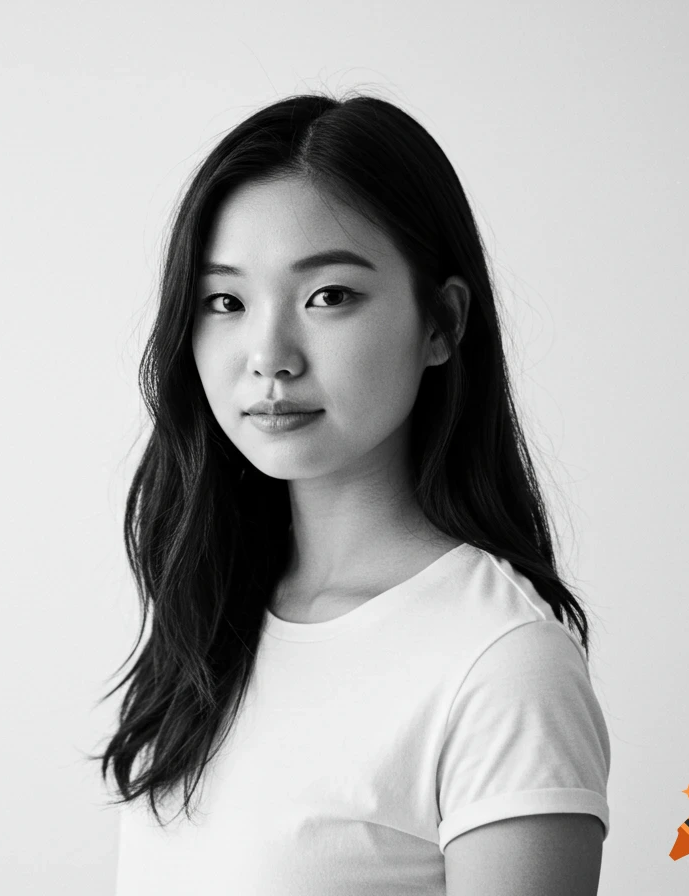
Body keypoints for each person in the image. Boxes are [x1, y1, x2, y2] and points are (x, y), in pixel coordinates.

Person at [90, 90, 611, 896]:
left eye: (327, 295)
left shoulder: (501, 664)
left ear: (441, 321)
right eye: (224, 301)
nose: (268, 355)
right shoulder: (213, 612)